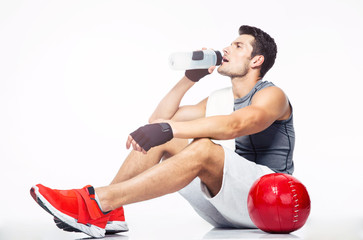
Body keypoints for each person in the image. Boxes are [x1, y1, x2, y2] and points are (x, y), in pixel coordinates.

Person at [30, 25, 295, 238]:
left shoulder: (272, 95)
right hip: (226, 205)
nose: (226, 48)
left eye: (238, 46)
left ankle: (97, 200)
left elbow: (237, 124)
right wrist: (189, 78)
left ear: (256, 60)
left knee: (201, 147)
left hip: (270, 202)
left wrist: (170, 129)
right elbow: (157, 121)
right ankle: (107, 213)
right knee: (164, 138)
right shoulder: (219, 98)